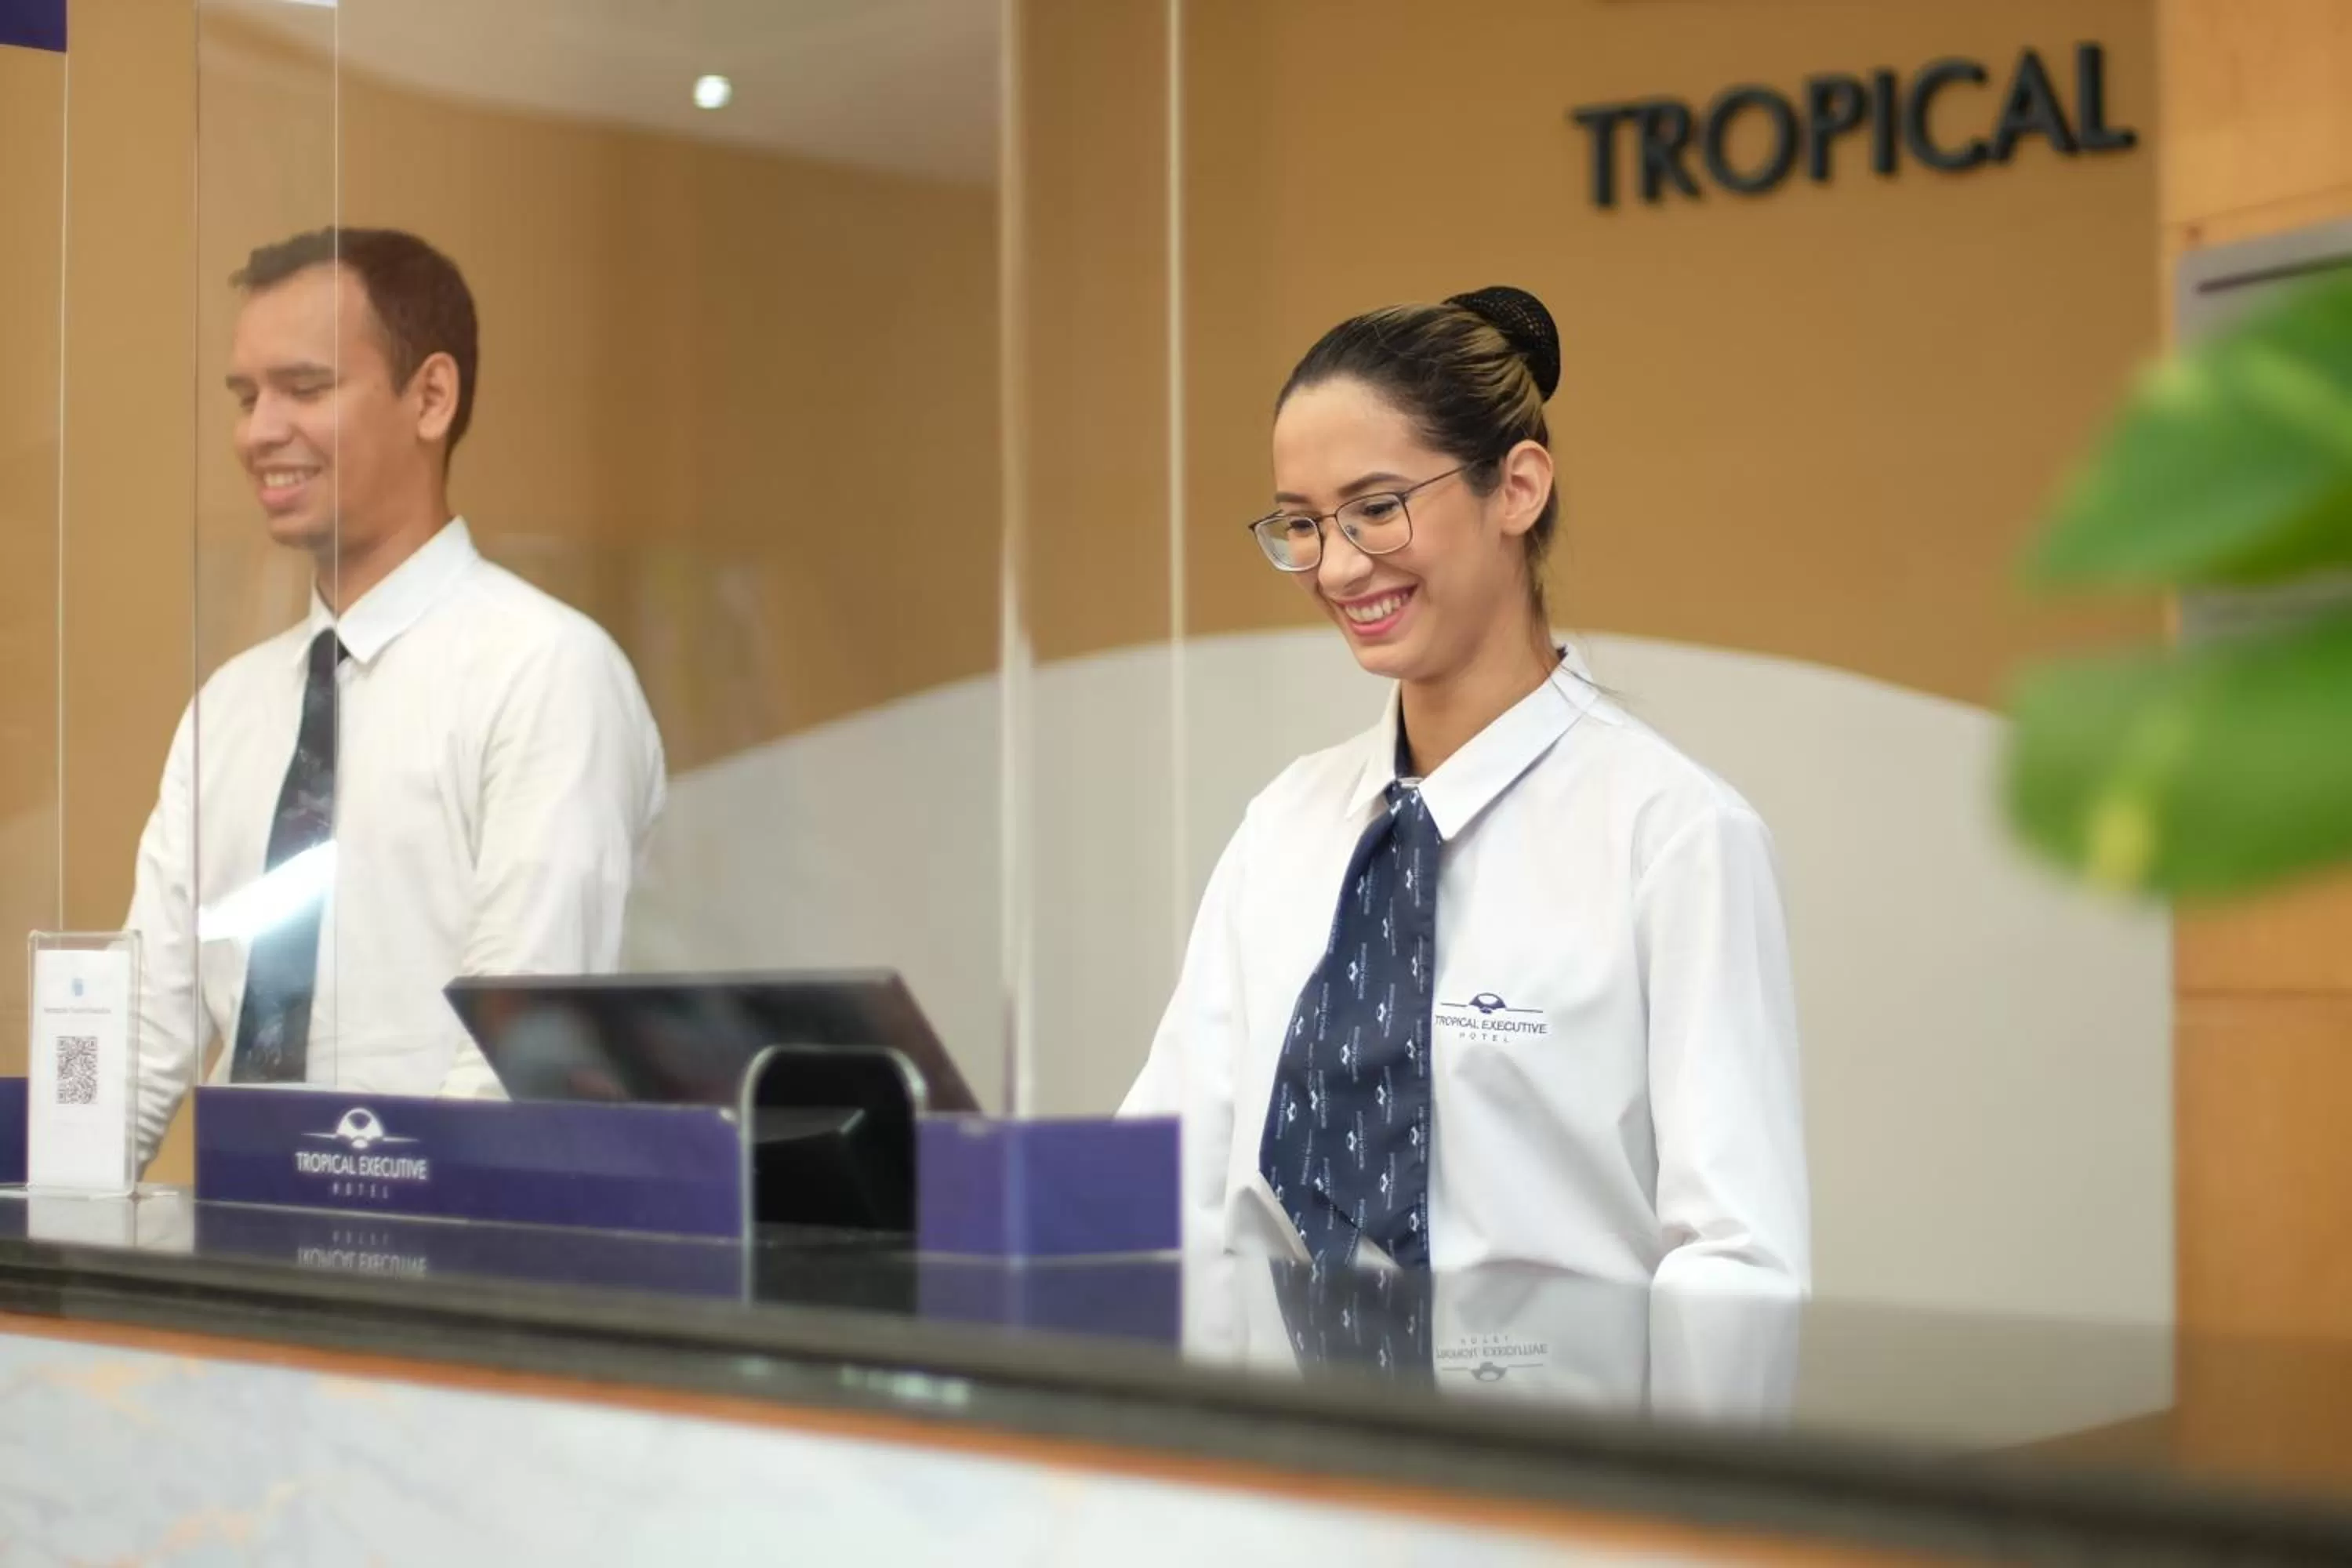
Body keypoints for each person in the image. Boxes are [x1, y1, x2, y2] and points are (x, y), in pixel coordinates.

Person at [1122, 286, 1808, 1294]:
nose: (1339, 566)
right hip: (1277, 1434)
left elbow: (1738, 1260)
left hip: (1549, 1440)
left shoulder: (1673, 834)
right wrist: (945, 1199)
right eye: (1301, 524)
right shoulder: (1285, 826)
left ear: (1517, 489)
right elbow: (1164, 1174)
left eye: (1376, 508)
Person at [125, 227, 666, 1164]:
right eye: (247, 397)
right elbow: (139, 1032)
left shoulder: (544, 672)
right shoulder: (233, 706)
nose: (259, 431)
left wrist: (394, 1267)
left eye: (305, 387)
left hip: (430, 1272)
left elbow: (514, 1051)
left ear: (431, 396)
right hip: (233, 1257)